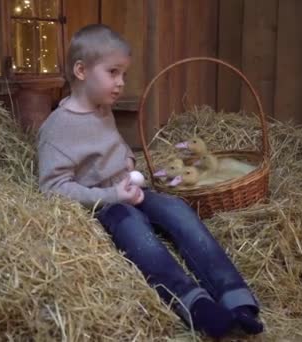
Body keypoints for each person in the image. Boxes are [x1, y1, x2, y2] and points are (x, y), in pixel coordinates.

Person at [37, 24, 263, 338]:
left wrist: (128, 161)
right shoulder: (57, 129)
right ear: (81, 70)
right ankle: (194, 304)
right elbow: (52, 188)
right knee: (138, 235)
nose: (120, 83)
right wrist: (113, 194)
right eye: (113, 72)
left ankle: (235, 296)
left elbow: (113, 147)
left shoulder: (103, 109)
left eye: (123, 75)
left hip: (132, 190)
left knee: (179, 211)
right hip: (105, 204)